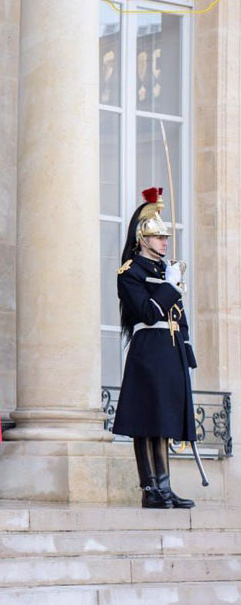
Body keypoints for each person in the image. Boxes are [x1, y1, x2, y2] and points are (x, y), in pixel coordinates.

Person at [113, 187, 196, 509]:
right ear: (143, 239)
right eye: (159, 237)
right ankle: (150, 489)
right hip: (148, 349)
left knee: (163, 420)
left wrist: (186, 350)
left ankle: (165, 486)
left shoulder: (165, 271)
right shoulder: (130, 273)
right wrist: (170, 286)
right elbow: (148, 312)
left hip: (170, 349)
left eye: (166, 238)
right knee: (146, 421)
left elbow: (179, 317)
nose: (164, 242)